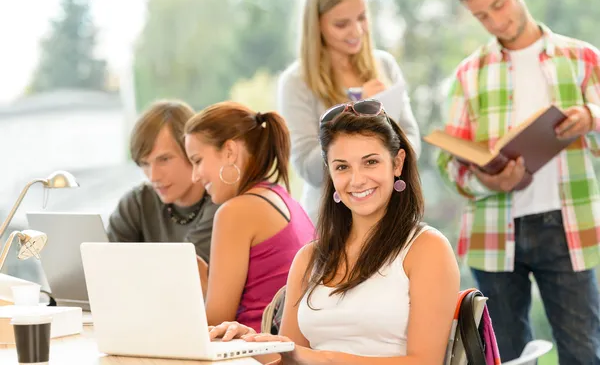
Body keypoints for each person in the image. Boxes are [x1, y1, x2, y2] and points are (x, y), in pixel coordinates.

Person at [210, 100, 459, 365]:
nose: (357, 179)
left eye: (370, 162)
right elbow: (290, 358)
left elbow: (426, 362)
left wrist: (323, 358)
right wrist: (248, 344)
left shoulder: (427, 249)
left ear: (397, 164)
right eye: (342, 167)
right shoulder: (309, 258)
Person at [437, 0, 600, 362]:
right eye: (482, 16)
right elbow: (450, 162)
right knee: (505, 356)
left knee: (583, 352)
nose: (496, 21)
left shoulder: (582, 57)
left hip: (567, 226)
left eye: (499, 5)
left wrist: (591, 117)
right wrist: (486, 181)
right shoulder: (468, 74)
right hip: (492, 232)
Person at [278, 0, 421, 224]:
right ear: (317, 25)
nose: (356, 31)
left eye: (362, 18)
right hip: (331, 223)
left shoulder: (384, 66)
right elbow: (309, 169)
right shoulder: (296, 82)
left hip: (391, 214)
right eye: (341, 24)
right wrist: (359, 111)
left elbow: (412, 144)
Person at [183, 102, 314, 332]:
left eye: (197, 160)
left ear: (229, 152)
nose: (195, 176)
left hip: (255, 352)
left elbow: (215, 324)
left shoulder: (236, 212)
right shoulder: (284, 200)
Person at [107, 100, 219, 263]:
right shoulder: (137, 203)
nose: (153, 177)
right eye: (145, 164)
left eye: (164, 159)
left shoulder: (220, 203)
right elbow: (105, 264)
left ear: (192, 152)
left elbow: (185, 270)